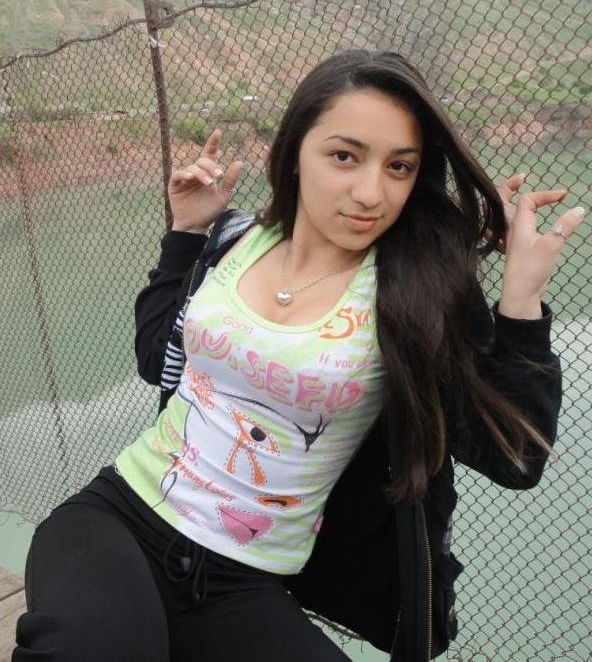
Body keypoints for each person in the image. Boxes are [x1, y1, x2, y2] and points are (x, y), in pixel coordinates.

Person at [13, 49, 580, 662]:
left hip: (240, 579)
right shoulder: (234, 240)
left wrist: (521, 301)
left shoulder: (413, 295)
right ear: (294, 151)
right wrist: (184, 234)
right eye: (344, 156)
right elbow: (160, 362)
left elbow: (516, 459)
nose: (370, 192)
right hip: (119, 519)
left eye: (399, 166)